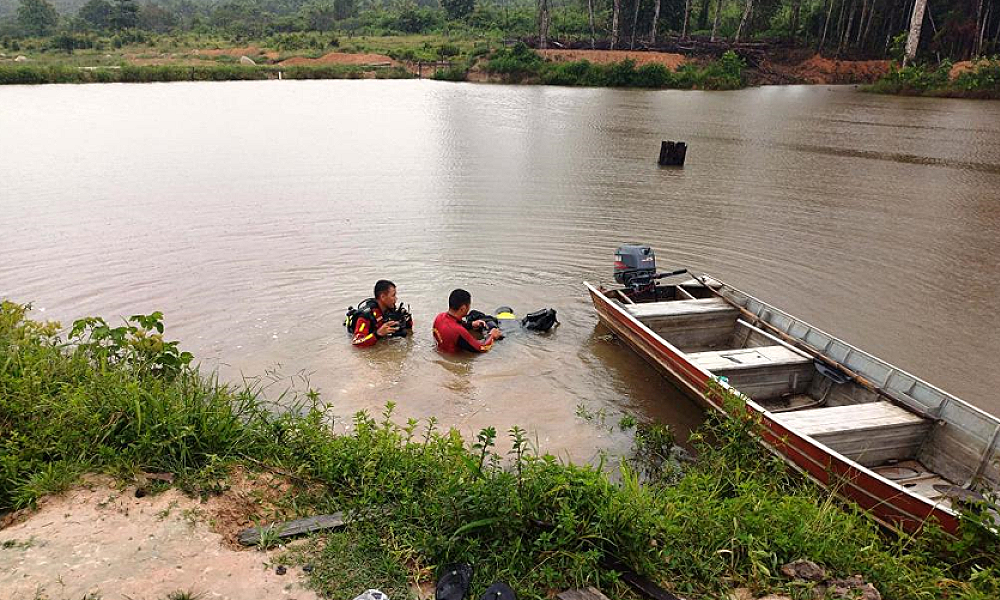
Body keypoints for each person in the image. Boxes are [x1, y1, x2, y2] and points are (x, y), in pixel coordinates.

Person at [433, 289, 503, 353]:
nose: (469, 308)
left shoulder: (439, 317)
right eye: (469, 305)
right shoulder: (458, 331)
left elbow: (453, 325)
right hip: (457, 359)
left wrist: (471, 324)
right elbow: (483, 348)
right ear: (463, 308)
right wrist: (492, 335)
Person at [350, 279, 412, 348]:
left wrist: (407, 320)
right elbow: (356, 343)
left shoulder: (390, 309)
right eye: (393, 295)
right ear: (382, 297)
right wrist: (377, 334)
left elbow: (408, 330)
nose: (396, 299)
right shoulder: (366, 316)